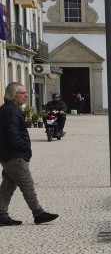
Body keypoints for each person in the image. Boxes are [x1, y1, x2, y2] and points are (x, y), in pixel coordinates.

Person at [0, 82, 59, 226]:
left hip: (6, 155)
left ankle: (1, 215)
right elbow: (13, 135)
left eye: (26, 92)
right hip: (14, 156)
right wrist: (24, 148)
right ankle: (38, 213)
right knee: (27, 185)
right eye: (23, 93)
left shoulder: (6, 109)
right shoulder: (13, 111)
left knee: (8, 186)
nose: (26, 95)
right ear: (13, 95)